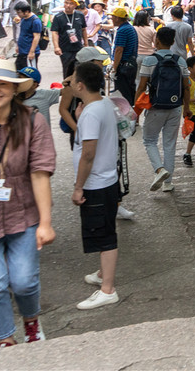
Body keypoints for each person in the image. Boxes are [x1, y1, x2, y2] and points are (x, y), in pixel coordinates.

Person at [0, 62, 56, 346]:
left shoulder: (32, 121)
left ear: (14, 89)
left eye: (1, 84)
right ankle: (5, 338)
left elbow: (40, 173)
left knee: (24, 281)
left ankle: (31, 322)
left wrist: (45, 222)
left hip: (23, 213)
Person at [71, 61, 122, 310]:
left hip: (97, 183)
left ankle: (108, 289)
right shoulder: (102, 104)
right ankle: (104, 274)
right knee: (105, 228)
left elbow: (88, 154)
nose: (69, 83)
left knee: (104, 236)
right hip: (108, 180)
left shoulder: (92, 112)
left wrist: (78, 186)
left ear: (81, 85)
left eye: (72, 79)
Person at [135, 26, 189, 192]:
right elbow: (186, 87)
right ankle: (168, 183)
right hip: (175, 107)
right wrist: (186, 108)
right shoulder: (180, 61)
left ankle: (159, 169)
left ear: (156, 40)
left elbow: (142, 86)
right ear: (173, 42)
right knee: (169, 144)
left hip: (156, 107)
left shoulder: (150, 61)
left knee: (149, 140)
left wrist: (135, 109)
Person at [50, 0, 87, 79]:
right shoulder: (58, 17)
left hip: (78, 47)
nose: (68, 6)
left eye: (71, 4)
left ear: (75, 5)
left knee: (79, 71)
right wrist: (56, 47)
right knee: (67, 71)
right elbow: (54, 32)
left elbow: (84, 29)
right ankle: (67, 89)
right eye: (66, 3)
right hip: (65, 49)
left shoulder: (80, 15)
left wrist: (86, 44)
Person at [108, 8, 138, 104]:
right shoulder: (129, 28)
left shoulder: (122, 30)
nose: (111, 18)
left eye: (113, 16)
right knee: (129, 91)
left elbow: (119, 50)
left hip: (124, 65)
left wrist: (114, 68)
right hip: (131, 64)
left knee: (123, 94)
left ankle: (126, 115)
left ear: (117, 18)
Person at [13, 3, 42, 72]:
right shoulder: (23, 19)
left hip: (29, 51)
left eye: (19, 12)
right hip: (22, 51)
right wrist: (18, 46)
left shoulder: (35, 21)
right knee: (18, 70)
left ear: (26, 12)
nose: (18, 14)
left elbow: (36, 37)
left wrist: (31, 52)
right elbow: (22, 33)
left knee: (30, 73)